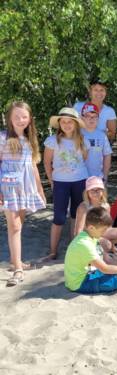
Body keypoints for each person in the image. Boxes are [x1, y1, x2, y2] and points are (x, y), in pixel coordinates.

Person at [1, 101, 46, 286]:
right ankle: (18, 269)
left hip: (25, 187)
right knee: (15, 226)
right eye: (16, 116)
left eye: (24, 117)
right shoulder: (3, 138)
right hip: (8, 187)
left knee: (19, 224)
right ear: (9, 119)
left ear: (30, 119)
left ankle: (15, 262)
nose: (20, 120)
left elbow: (33, 166)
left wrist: (40, 189)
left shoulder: (29, 140)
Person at [64, 206, 117, 294]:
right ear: (91, 228)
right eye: (103, 230)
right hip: (80, 283)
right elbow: (105, 269)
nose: (105, 233)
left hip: (90, 271)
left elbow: (104, 257)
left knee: (116, 261)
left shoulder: (90, 236)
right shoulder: (84, 244)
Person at [44, 107, 89, 260]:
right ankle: (53, 251)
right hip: (60, 183)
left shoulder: (83, 141)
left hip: (80, 181)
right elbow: (46, 162)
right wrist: (51, 180)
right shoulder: (52, 141)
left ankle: (74, 246)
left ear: (76, 124)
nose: (67, 124)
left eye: (70, 122)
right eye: (64, 122)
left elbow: (85, 159)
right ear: (59, 123)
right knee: (59, 217)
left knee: (77, 215)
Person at [74, 176, 117, 253]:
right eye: (92, 190)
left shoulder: (106, 206)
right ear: (87, 192)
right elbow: (79, 230)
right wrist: (80, 245)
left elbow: (108, 225)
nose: (95, 193)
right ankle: (97, 249)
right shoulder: (84, 207)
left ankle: (107, 245)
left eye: (98, 190)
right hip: (88, 235)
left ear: (103, 191)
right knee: (106, 245)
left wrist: (110, 243)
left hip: (101, 232)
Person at [80, 102, 112, 181]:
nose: (91, 119)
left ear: (98, 119)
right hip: (79, 177)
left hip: (97, 177)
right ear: (82, 118)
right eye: (88, 116)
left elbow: (107, 155)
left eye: (94, 116)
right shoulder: (77, 134)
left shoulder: (102, 135)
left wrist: (105, 176)